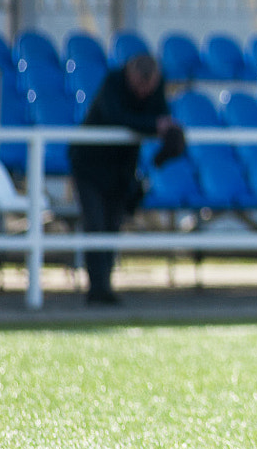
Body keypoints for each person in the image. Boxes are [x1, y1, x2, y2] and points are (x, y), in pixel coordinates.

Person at [69, 51, 181, 306]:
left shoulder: (156, 87)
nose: (144, 93)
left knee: (111, 224)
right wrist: (154, 125)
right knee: (95, 224)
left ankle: (104, 286)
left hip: (120, 169)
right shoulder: (113, 82)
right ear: (130, 75)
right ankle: (97, 288)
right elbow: (116, 117)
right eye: (140, 87)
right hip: (90, 166)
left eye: (148, 88)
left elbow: (162, 118)